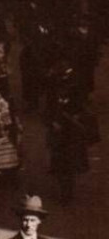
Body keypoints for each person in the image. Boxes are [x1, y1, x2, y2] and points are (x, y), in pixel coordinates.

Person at [44, 78, 96, 206]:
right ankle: (65, 192)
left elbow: (84, 114)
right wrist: (52, 123)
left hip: (71, 139)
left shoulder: (75, 100)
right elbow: (47, 114)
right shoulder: (55, 100)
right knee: (63, 167)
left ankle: (67, 193)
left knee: (67, 167)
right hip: (61, 139)